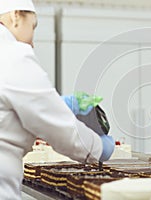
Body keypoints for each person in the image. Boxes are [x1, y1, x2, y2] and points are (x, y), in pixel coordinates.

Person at [0, 0, 114, 199]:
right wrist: (98, 148)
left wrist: (58, 105)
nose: (32, 42)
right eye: (32, 26)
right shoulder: (12, 55)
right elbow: (60, 130)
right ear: (16, 15)